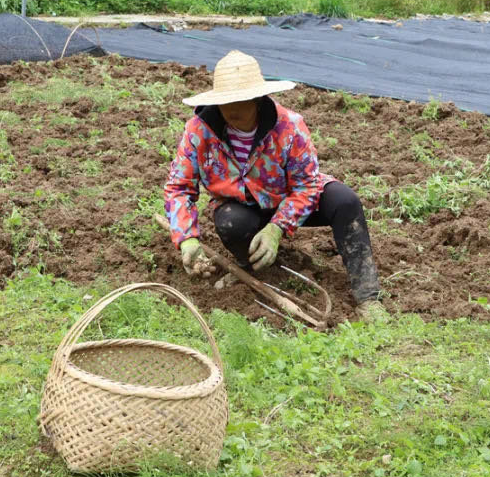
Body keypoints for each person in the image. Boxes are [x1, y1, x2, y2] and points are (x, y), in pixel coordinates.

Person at [163, 51, 387, 322]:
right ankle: (254, 268)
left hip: (288, 198)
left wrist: (277, 228)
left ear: (257, 99)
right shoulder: (199, 131)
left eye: (241, 101)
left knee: (345, 201)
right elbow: (179, 187)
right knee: (232, 222)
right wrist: (186, 238)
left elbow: (306, 185)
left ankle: (367, 296)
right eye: (226, 101)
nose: (232, 109)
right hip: (241, 206)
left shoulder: (289, 127)